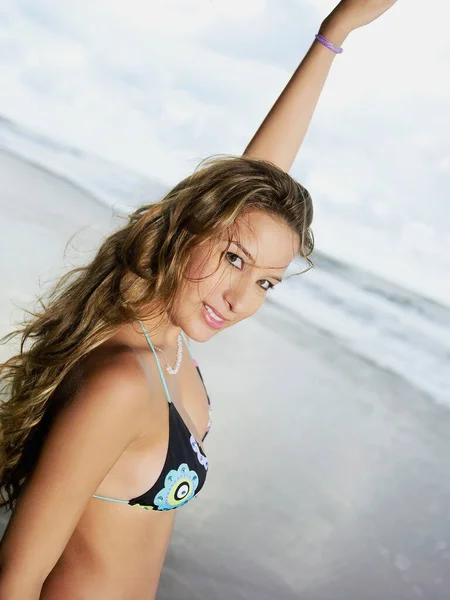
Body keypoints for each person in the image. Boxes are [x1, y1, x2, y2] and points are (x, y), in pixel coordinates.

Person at [0, 1, 397, 598]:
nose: (240, 299)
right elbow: (15, 581)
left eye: (266, 281)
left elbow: (251, 191)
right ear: (189, 229)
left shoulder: (167, 339)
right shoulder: (122, 383)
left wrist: (333, 36)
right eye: (234, 260)